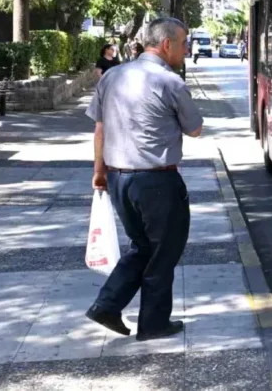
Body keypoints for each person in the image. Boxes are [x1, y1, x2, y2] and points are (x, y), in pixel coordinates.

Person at [84, 17, 203, 341]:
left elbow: (99, 129)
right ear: (166, 44)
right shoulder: (170, 82)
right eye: (184, 43)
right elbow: (195, 128)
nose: (187, 49)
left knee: (143, 246)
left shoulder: (113, 76)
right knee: (164, 251)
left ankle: (107, 305)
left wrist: (99, 172)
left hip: (119, 179)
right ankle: (153, 324)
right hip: (157, 183)